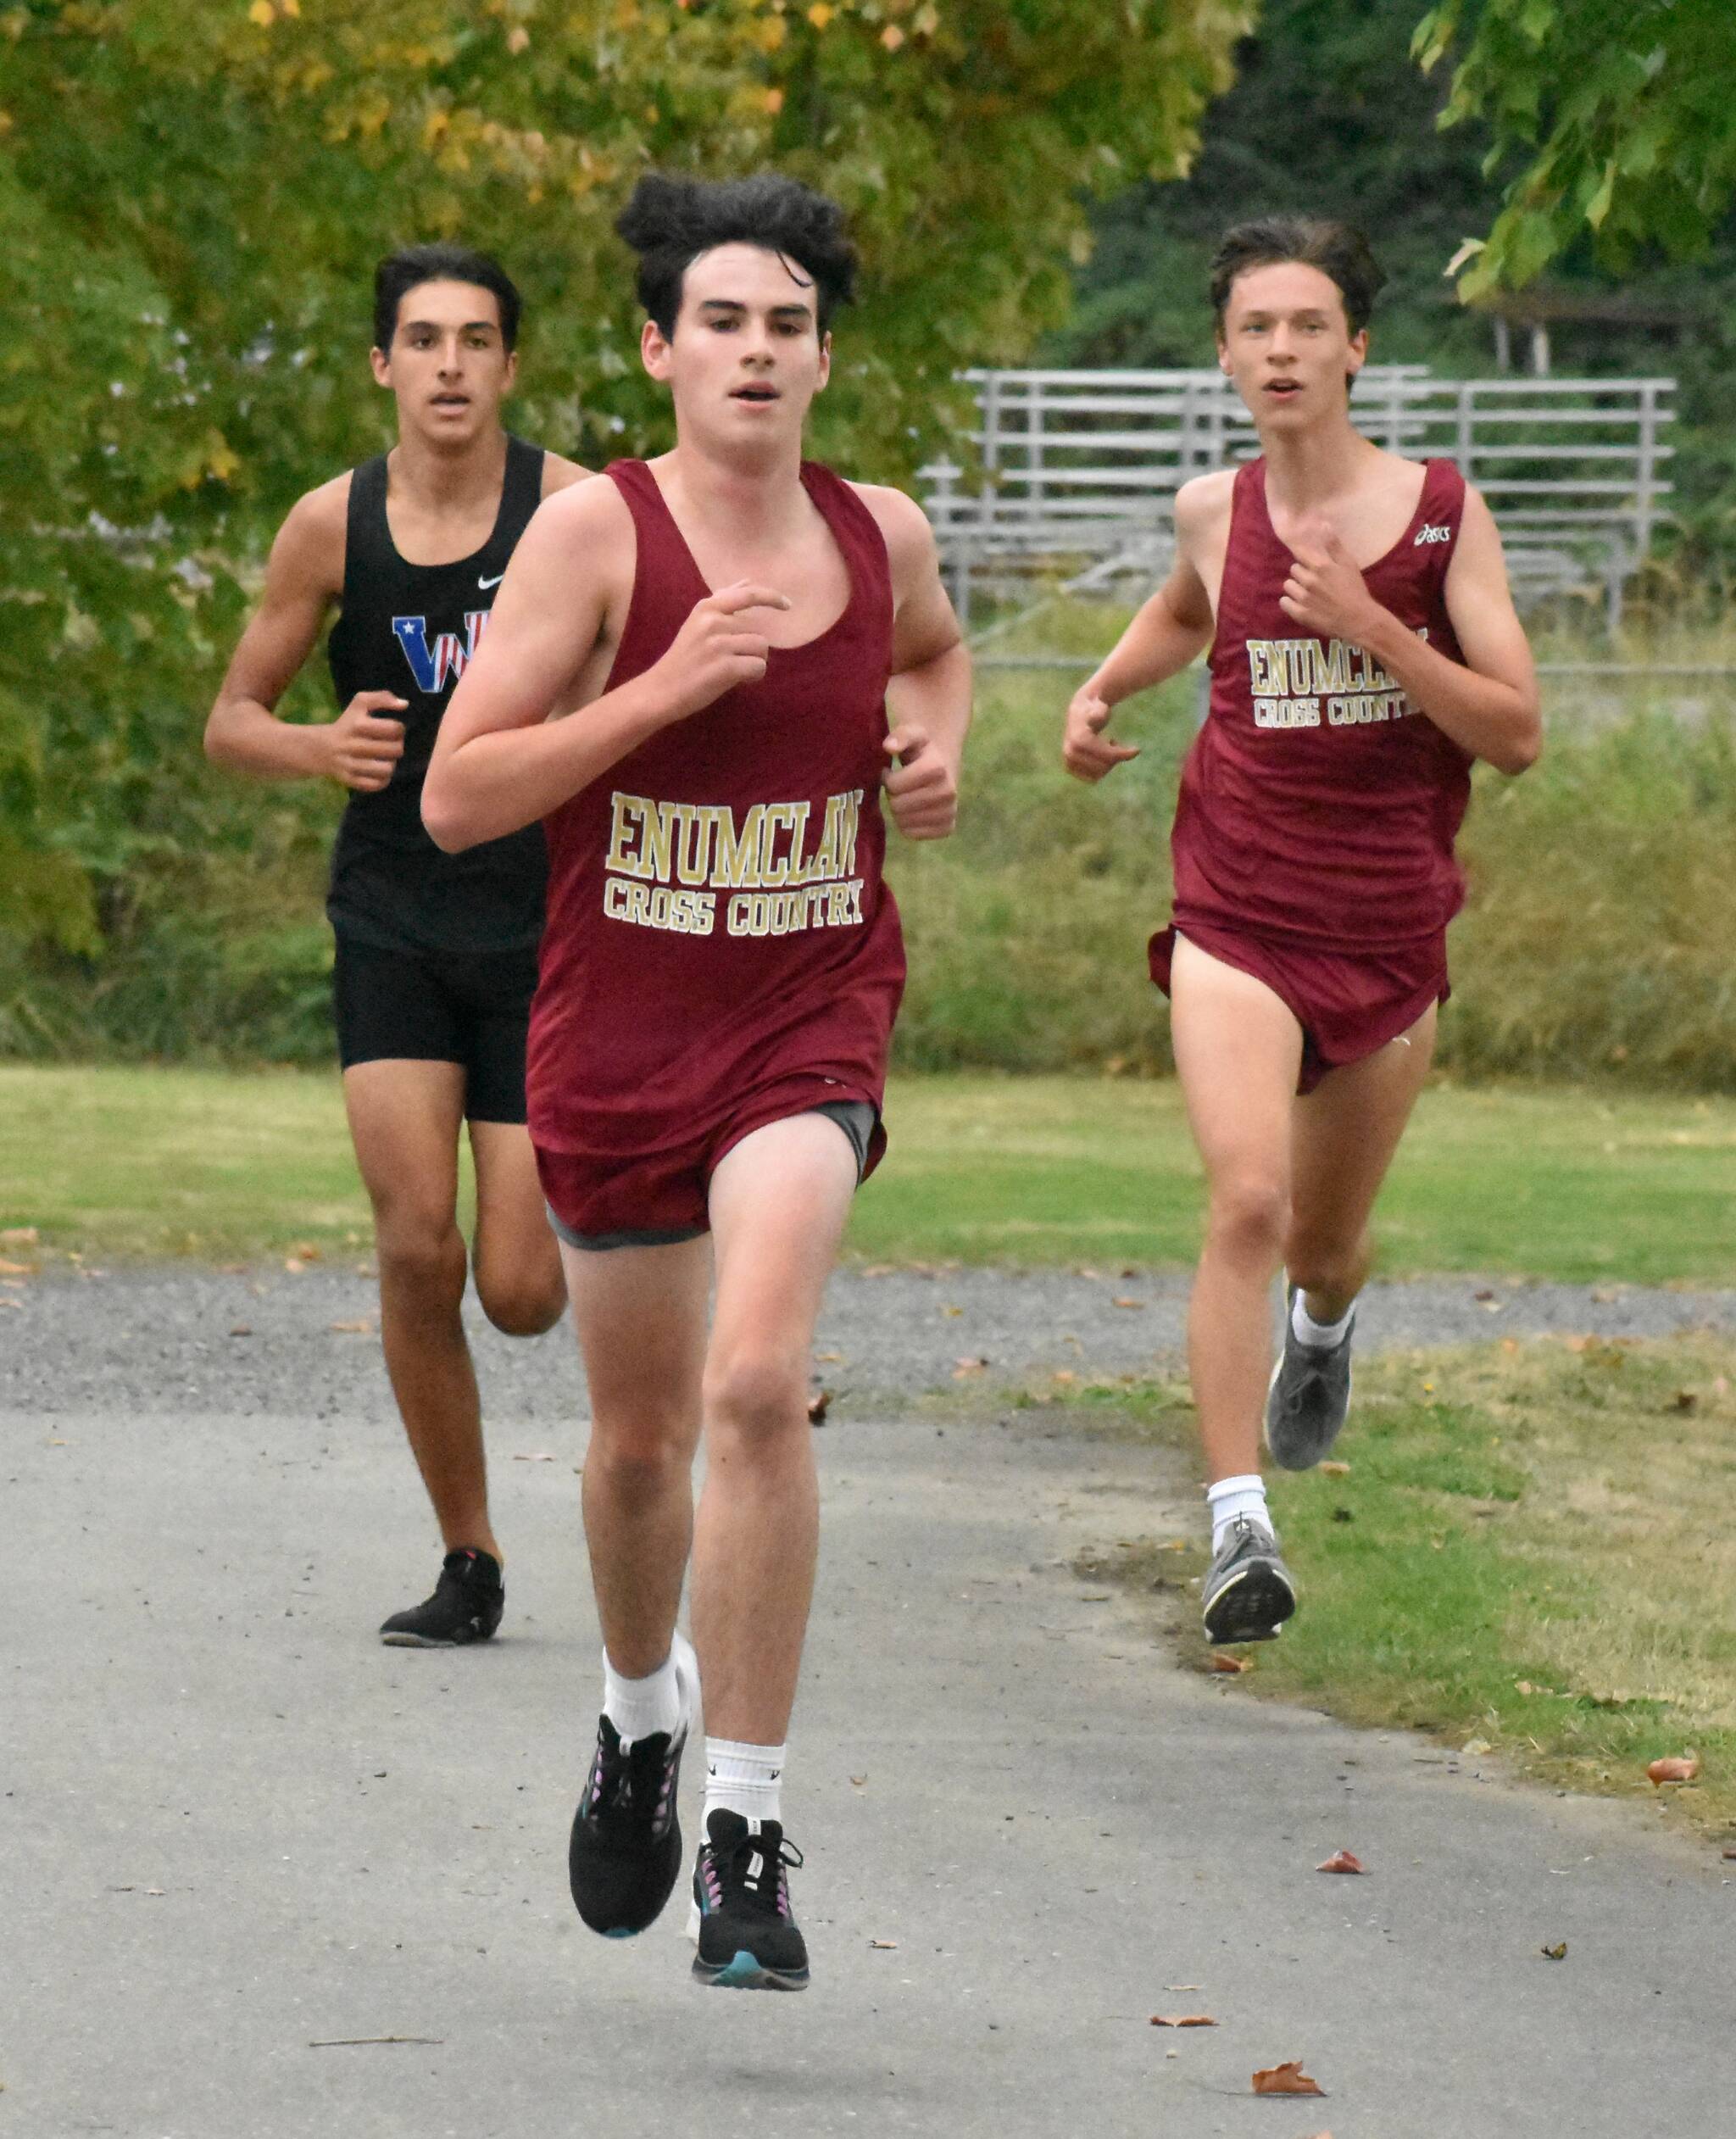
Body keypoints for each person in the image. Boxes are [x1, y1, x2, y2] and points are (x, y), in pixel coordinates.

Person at [422, 171, 970, 1990]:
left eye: (787, 323)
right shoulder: (596, 538)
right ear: (659, 350)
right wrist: (660, 692)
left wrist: (932, 747)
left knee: (756, 1383)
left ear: (824, 357)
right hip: (620, 1037)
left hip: (809, 1011)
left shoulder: (879, 533)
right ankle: (637, 1711)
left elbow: (935, 654)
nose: (756, 350)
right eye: (722, 320)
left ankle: (744, 1828)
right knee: (640, 1445)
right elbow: (459, 795)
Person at [1062, 216, 1540, 1646]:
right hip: (1237, 910)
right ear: (1225, 355)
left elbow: (1516, 733)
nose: (1282, 350)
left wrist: (1375, 628)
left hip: (1387, 929)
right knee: (1248, 1207)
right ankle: (1237, 1528)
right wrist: (1102, 691)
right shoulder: (1214, 511)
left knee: (1324, 1245)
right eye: (1256, 328)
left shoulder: (1441, 514)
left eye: (1308, 326)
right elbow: (1183, 613)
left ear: (1356, 349)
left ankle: (1322, 1327)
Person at [205, 245, 586, 1646]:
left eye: (475, 340)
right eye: (422, 340)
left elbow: (660, 682)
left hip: (544, 924)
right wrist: (318, 745)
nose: (448, 365)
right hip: (392, 919)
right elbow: (232, 720)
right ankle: (468, 1555)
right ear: (383, 365)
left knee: (524, 1292)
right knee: (417, 1246)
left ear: (510, 366)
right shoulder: (331, 525)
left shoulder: (575, 511)